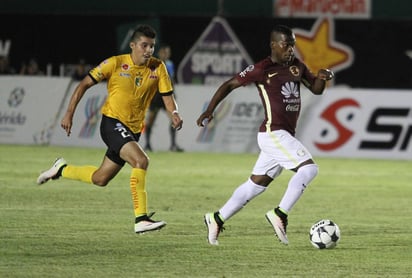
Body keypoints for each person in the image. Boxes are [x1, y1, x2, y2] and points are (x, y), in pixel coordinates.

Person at [37, 24, 183, 234]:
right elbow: (83, 84)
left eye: (152, 46)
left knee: (100, 179)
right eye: (144, 45)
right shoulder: (115, 63)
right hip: (112, 123)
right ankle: (141, 218)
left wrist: (174, 114)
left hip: (133, 130)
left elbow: (168, 97)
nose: (149, 50)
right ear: (133, 45)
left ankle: (61, 169)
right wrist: (69, 112)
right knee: (141, 160)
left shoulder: (158, 67)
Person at [196, 25, 334, 246]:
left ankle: (216, 218)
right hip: (273, 133)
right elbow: (229, 84)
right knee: (309, 169)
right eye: (286, 44)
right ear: (273, 45)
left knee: (256, 184)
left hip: (283, 135)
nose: (290, 49)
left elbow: (316, 89)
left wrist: (322, 77)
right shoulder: (262, 69)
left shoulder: (297, 66)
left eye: (293, 44)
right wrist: (210, 110)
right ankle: (280, 213)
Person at [144, 44, 183, 152]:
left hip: (167, 96)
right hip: (156, 97)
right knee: (150, 121)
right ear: (160, 52)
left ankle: (173, 145)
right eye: (165, 52)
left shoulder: (170, 64)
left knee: (173, 119)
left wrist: (173, 93)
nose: (167, 54)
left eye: (168, 52)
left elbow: (171, 80)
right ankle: (147, 144)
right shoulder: (153, 64)